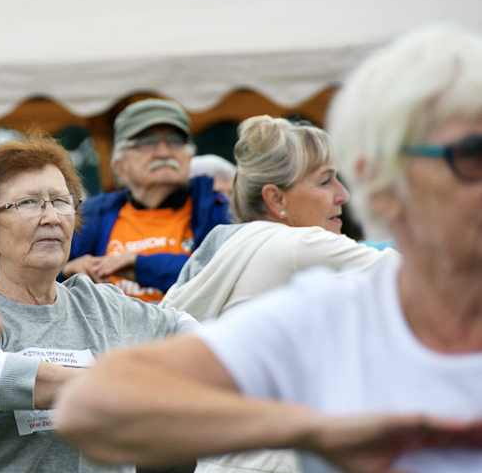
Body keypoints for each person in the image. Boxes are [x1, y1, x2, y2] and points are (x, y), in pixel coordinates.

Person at [55, 23, 482, 473]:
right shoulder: (310, 285)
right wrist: (311, 430)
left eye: (175, 139)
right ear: (382, 183)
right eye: (472, 155)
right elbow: (93, 397)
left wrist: (142, 264)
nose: (341, 194)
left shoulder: (212, 216)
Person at [0, 134, 200, 473]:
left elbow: (183, 329)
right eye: (28, 203)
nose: (52, 217)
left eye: (61, 201)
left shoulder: (102, 304)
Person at [160, 116, 397, 324]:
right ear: (276, 199)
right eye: (325, 181)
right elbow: (415, 275)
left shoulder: (229, 242)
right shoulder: (297, 243)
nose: (343, 195)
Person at [62, 98, 231, 303]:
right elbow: (37, 280)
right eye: (147, 142)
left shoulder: (219, 211)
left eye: (175, 140)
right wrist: (67, 271)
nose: (164, 152)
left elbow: (223, 273)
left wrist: (140, 265)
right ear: (119, 166)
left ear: (189, 157)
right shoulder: (89, 216)